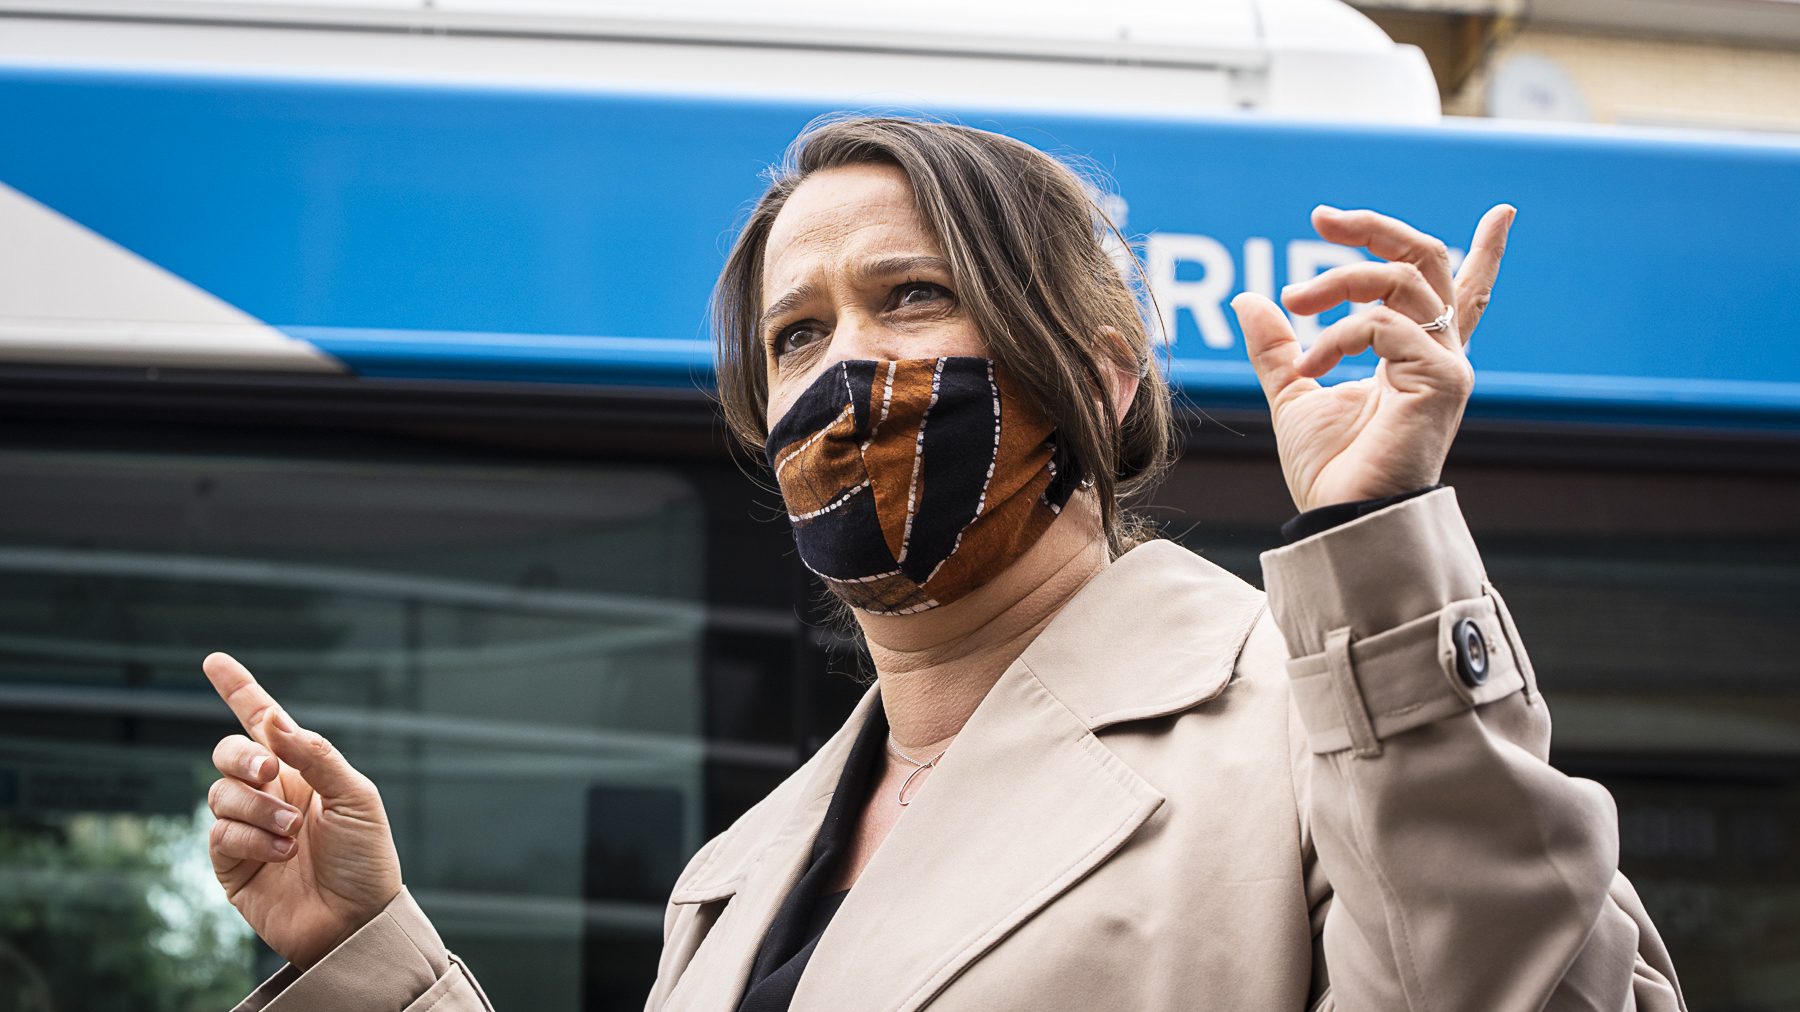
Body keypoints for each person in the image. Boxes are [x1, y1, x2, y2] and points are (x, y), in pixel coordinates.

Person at [203, 116, 1685, 1011]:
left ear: (1098, 380)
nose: (846, 371)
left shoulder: (1324, 727)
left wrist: (1373, 547)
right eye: (797, 337)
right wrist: (369, 955)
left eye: (910, 298)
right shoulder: (741, 873)